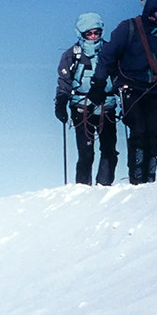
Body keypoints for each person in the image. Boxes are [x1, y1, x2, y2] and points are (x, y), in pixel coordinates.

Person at [87, 0, 157, 184]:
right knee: (139, 132)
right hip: (129, 88)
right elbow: (108, 56)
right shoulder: (128, 28)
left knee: (152, 136)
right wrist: (98, 84)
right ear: (150, 9)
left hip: (155, 90)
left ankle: (149, 180)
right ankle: (137, 180)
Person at [54, 12, 119, 185]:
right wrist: (60, 101)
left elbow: (119, 77)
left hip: (107, 107)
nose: (93, 37)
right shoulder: (71, 55)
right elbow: (64, 82)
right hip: (81, 108)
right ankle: (82, 191)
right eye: (88, 33)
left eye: (96, 32)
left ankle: (103, 187)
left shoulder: (110, 53)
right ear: (80, 33)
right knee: (86, 152)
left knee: (109, 150)